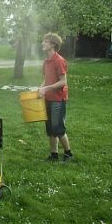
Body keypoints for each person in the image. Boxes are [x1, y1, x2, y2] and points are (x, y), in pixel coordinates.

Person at [38, 32, 73, 163]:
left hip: (58, 99)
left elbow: (63, 82)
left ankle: (68, 153)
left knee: (58, 129)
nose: (43, 43)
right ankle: (54, 155)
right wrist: (40, 88)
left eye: (46, 41)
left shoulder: (59, 61)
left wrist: (46, 88)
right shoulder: (46, 62)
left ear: (53, 44)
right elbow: (46, 79)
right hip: (48, 98)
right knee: (50, 129)